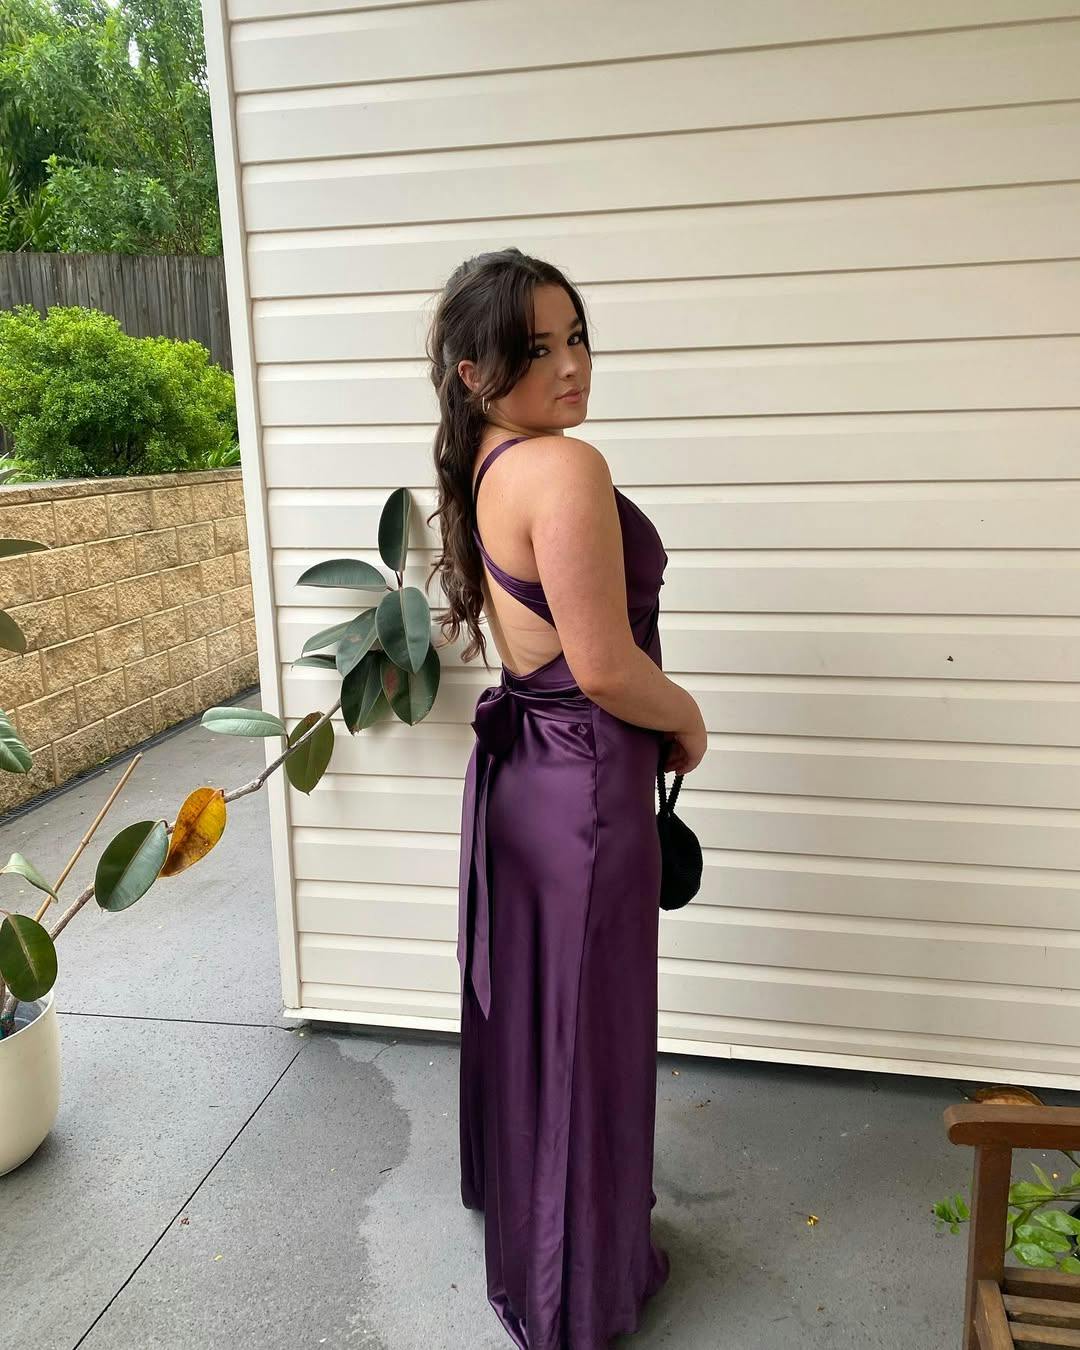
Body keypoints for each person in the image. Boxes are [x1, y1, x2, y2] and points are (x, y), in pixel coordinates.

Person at [425, 248, 708, 1348]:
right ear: (473, 372)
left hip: (529, 787)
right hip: (588, 783)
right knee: (591, 1031)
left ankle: (548, 1239)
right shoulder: (566, 466)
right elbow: (604, 668)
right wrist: (688, 716)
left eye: (576, 337)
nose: (571, 365)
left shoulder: (490, 461)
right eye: (536, 349)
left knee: (549, 1022)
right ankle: (576, 1291)